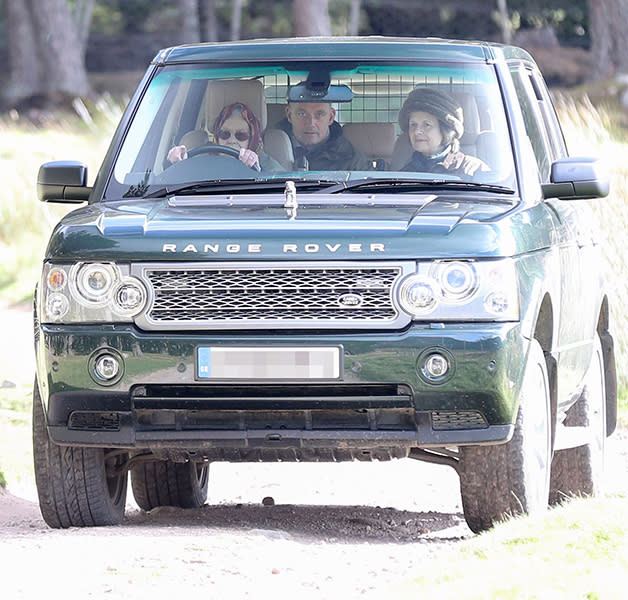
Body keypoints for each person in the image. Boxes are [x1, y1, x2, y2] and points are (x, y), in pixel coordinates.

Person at [397, 87, 489, 178]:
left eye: (427, 125)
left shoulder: (473, 170)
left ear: (445, 130)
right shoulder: (405, 174)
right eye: (413, 125)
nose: (417, 131)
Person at [167, 102, 282, 171]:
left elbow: (282, 187)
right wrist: (175, 161)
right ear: (216, 136)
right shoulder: (200, 159)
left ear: (252, 138)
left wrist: (258, 172)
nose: (232, 140)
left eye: (241, 135)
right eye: (224, 134)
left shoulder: (265, 163)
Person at [275, 101, 370, 171]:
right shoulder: (268, 150)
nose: (311, 123)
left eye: (319, 114)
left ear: (331, 117)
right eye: (302, 114)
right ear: (289, 115)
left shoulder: (350, 157)